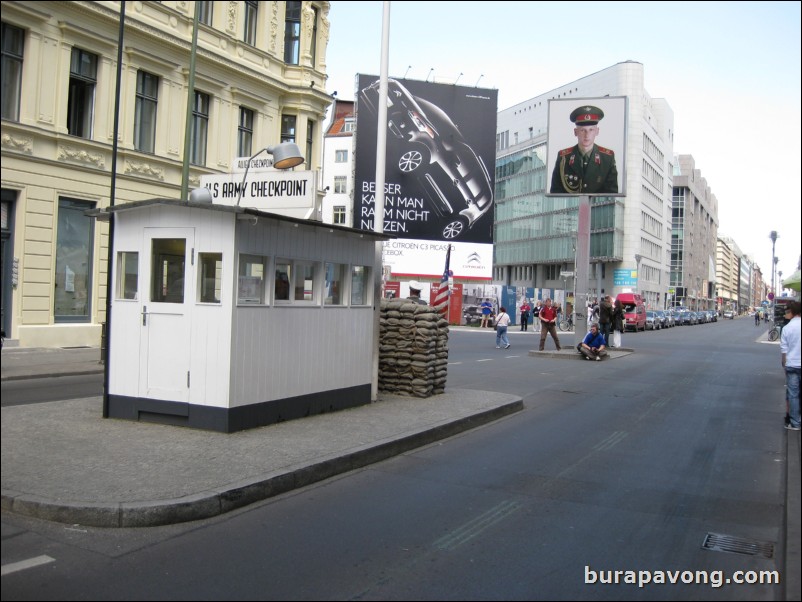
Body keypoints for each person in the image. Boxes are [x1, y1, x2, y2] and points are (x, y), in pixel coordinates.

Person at [550, 105, 619, 194]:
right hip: (571, 207)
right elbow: (555, 192)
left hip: (596, 207)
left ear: (597, 131)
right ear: (575, 132)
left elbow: (612, 194)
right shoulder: (563, 157)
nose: (587, 135)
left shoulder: (607, 158)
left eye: (591, 130)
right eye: (583, 130)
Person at [780, 301, 800, 430]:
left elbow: (784, 350)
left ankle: (795, 423)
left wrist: (784, 364)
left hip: (792, 365)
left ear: (792, 312)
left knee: (793, 394)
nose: (786, 314)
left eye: (787, 311)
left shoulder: (787, 328)